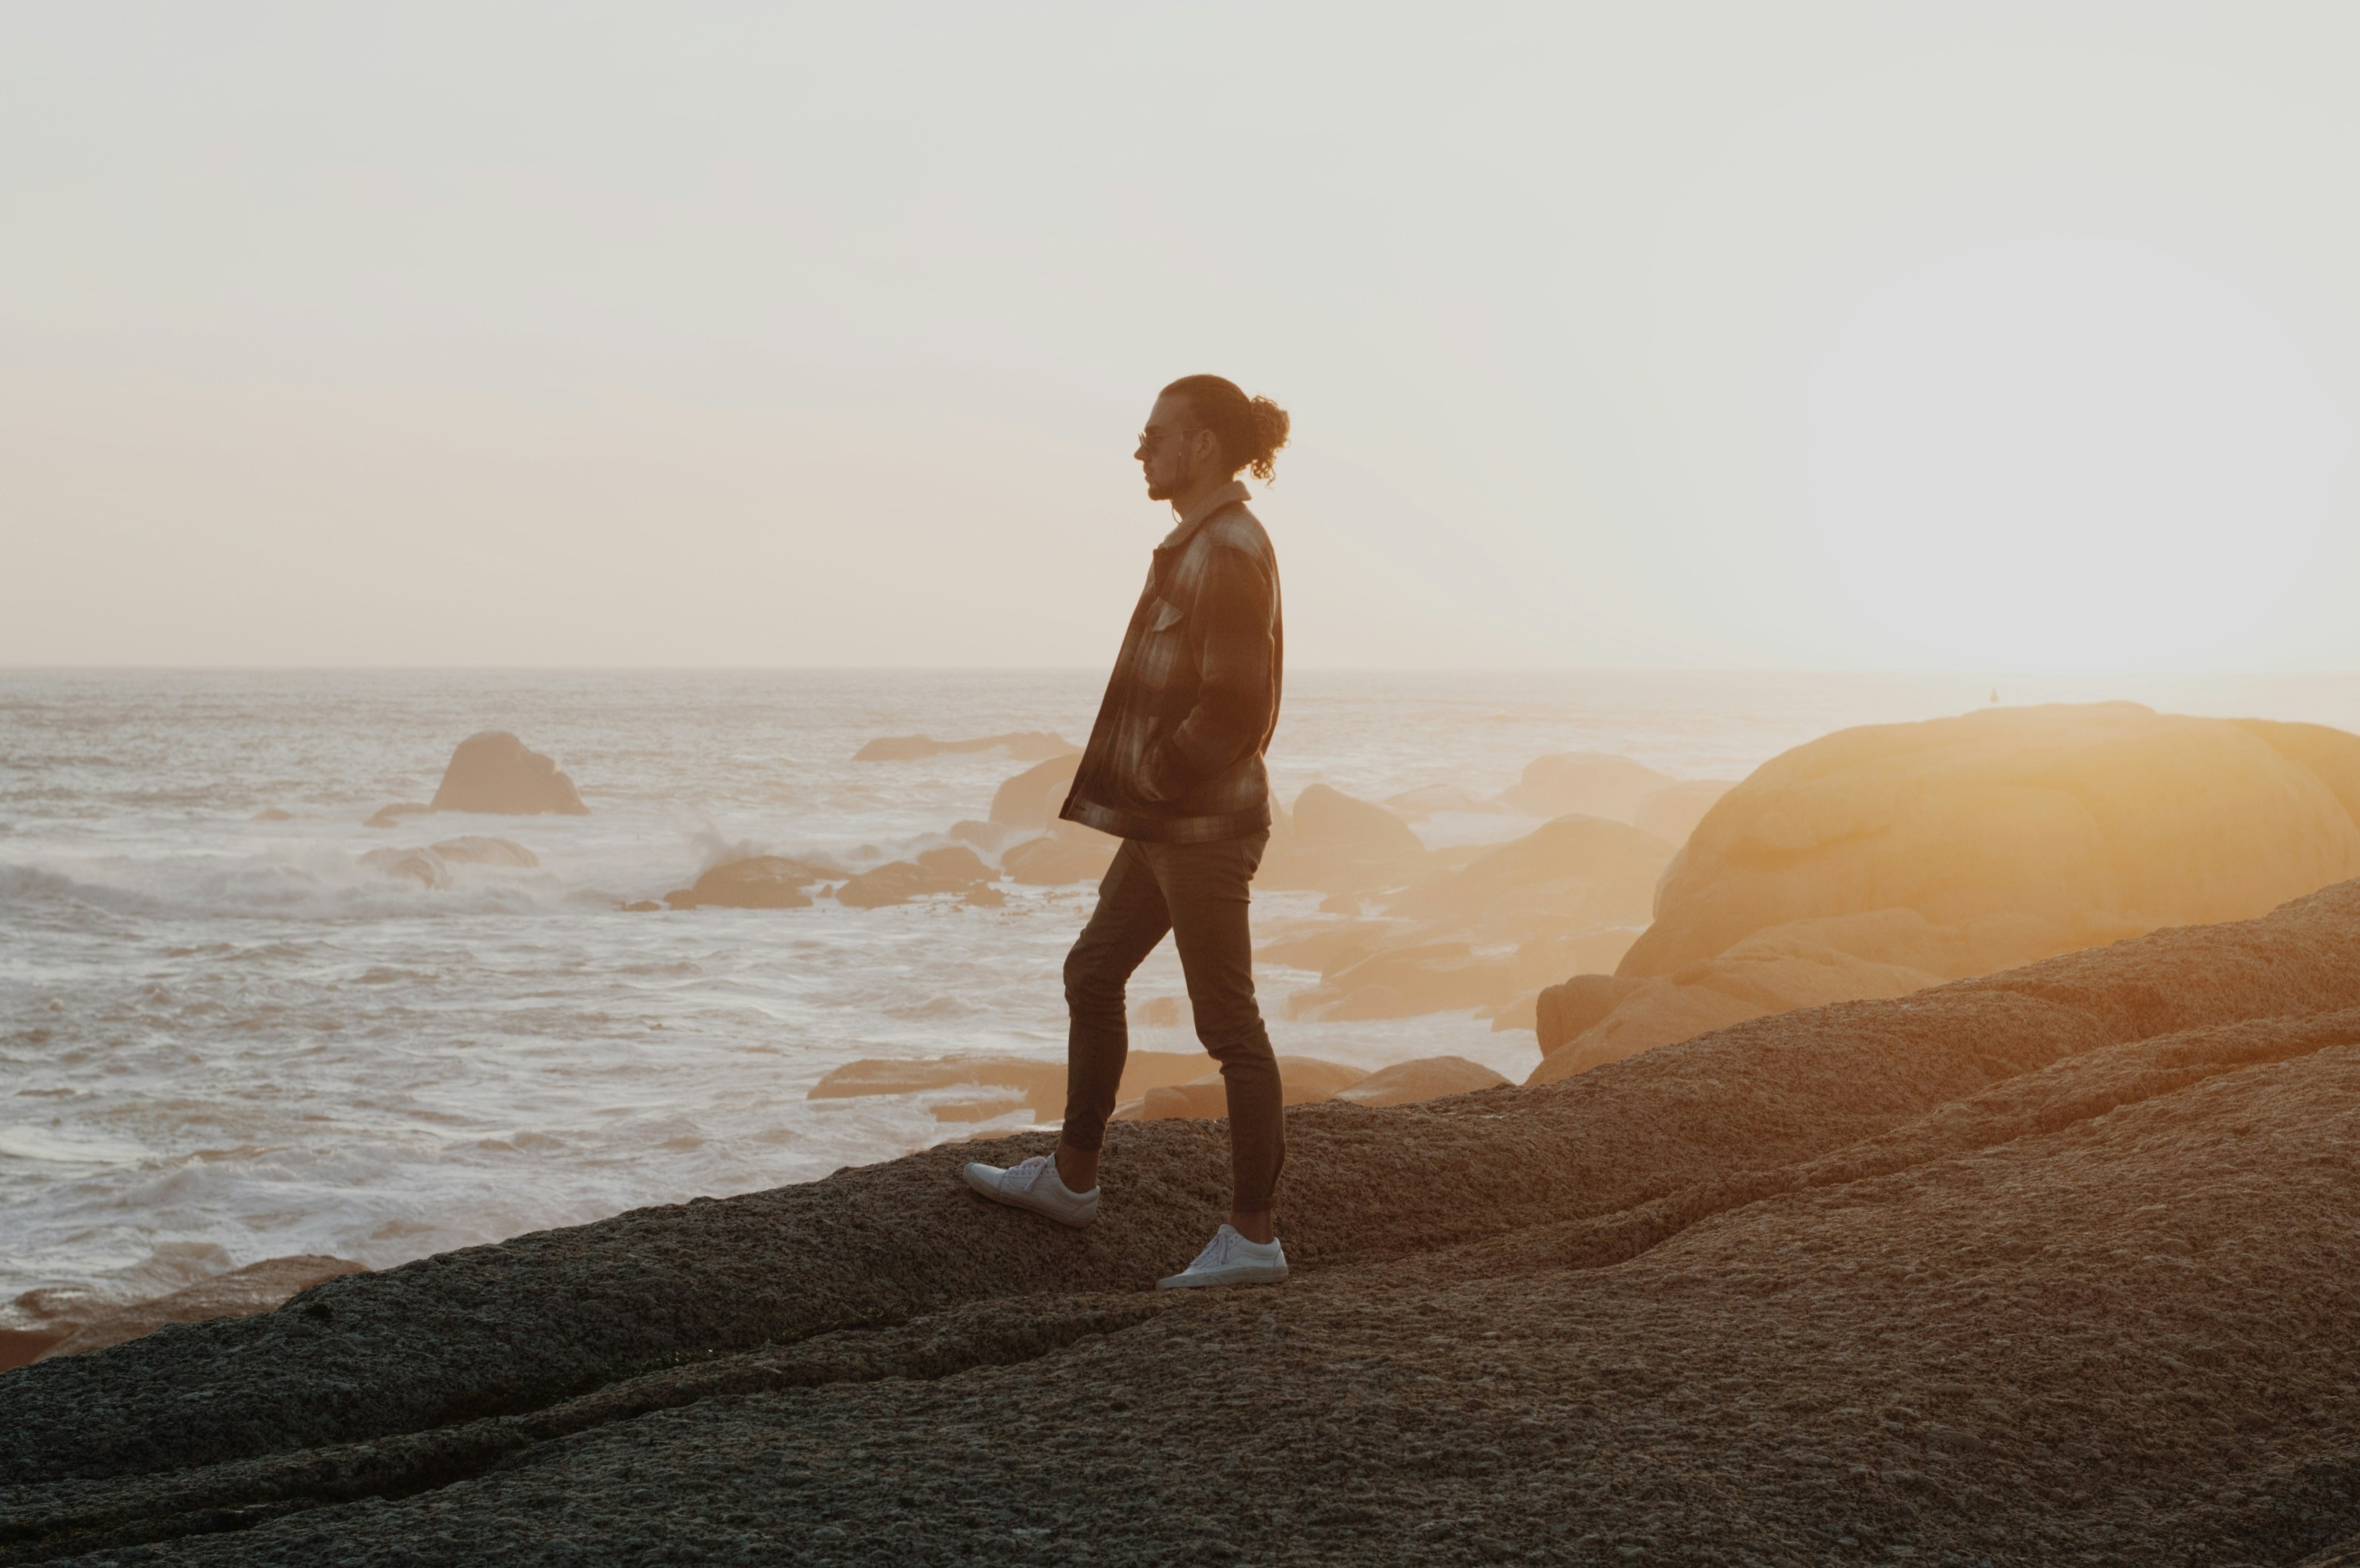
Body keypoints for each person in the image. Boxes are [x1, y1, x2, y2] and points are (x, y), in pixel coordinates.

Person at [963, 374, 1291, 1289]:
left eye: (1156, 434)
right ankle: (1072, 1178)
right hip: (1164, 824)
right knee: (1092, 971)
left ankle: (1253, 1238)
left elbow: (1237, 706)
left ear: (1203, 447)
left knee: (1228, 1025)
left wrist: (1158, 772)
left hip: (1201, 827)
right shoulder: (1194, 543)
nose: (1140, 449)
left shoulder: (1228, 546)